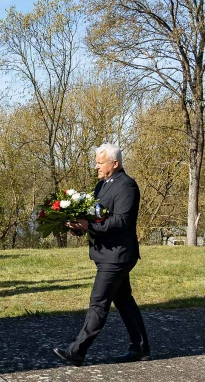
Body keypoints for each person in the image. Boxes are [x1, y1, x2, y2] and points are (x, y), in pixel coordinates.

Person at [54, 144, 150, 366]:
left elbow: (122, 221)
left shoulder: (127, 186)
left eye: (100, 162)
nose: (96, 166)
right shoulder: (101, 185)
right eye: (96, 161)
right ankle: (141, 348)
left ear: (114, 164)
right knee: (124, 301)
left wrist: (89, 226)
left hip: (117, 255)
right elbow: (94, 216)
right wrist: (77, 224)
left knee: (98, 302)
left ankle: (77, 351)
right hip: (106, 253)